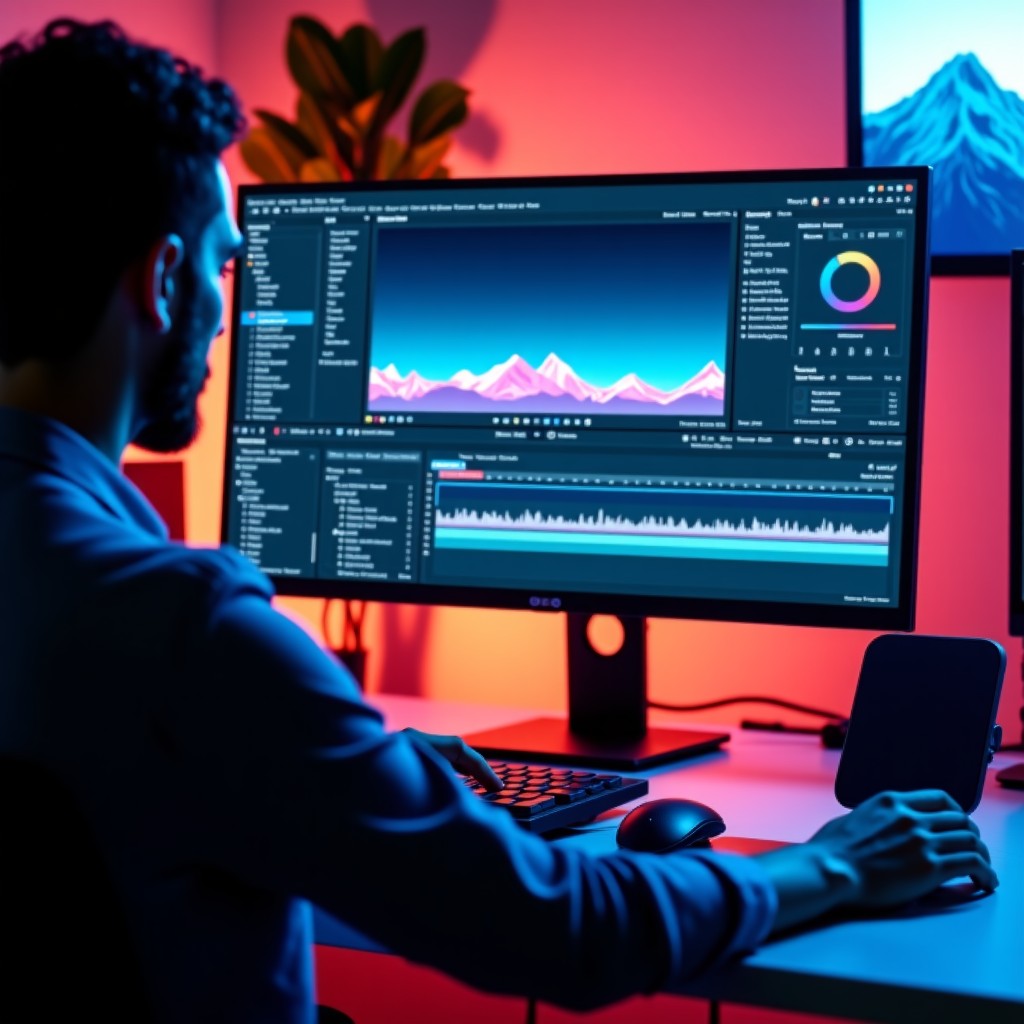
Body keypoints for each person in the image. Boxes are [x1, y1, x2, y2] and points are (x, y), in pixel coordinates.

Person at [0, 18, 997, 1024]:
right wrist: (831, 864)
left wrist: (349, 772)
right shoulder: (191, 633)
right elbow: (565, 929)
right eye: (225, 269)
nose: (231, 311)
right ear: (161, 280)